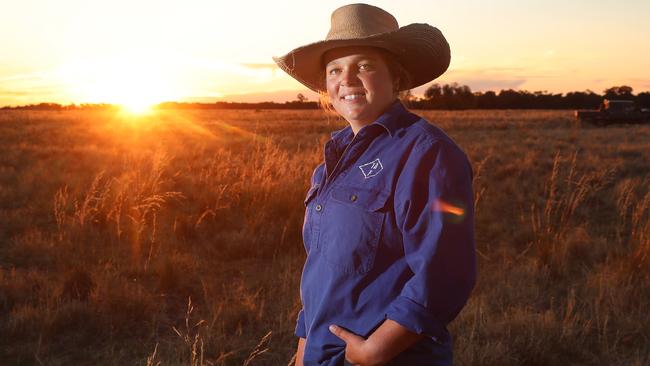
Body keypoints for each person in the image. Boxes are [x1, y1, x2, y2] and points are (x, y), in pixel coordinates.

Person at [273, 4, 477, 366]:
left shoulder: (427, 153)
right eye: (335, 69)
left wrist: (376, 350)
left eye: (364, 65)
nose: (346, 79)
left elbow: (446, 269)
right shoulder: (331, 164)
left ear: (395, 78)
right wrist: (305, 341)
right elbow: (324, 266)